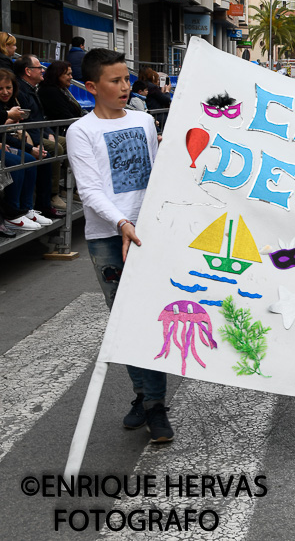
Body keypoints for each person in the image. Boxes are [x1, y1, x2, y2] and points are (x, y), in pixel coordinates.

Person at [66, 48, 173, 443]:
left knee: (147, 317)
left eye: (127, 79)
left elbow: (159, 173)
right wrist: (122, 222)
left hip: (149, 233)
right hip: (109, 237)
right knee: (124, 321)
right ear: (92, 87)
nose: (125, 87)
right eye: (115, 81)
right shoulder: (81, 131)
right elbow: (89, 190)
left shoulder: (145, 121)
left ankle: (153, 403)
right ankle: (148, 399)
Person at [0, 68, 51, 232]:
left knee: (29, 159)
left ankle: (26, 209)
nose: (5, 92)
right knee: (17, 161)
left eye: (8, 87)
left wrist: (30, 148)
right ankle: (12, 214)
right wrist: (8, 118)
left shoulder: (12, 104)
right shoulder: (7, 110)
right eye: (0, 88)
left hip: (6, 145)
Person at [14, 55, 64, 214]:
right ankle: (51, 195)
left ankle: (70, 189)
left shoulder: (31, 88)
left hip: (40, 131)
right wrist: (38, 139)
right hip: (31, 135)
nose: (43, 70)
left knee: (69, 141)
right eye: (39, 68)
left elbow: (40, 117)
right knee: (55, 149)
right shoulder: (21, 91)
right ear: (28, 71)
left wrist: (48, 132)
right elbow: (26, 122)